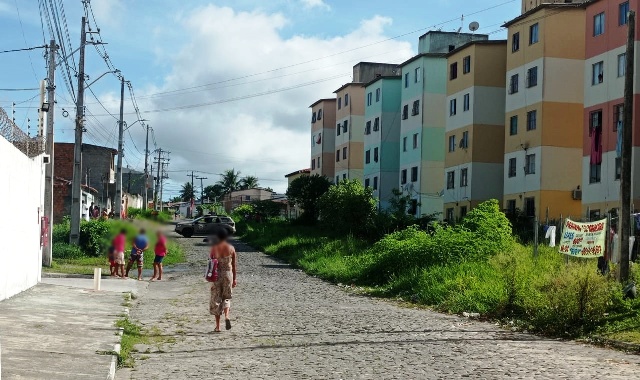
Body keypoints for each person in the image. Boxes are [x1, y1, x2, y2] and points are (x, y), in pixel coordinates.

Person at [209, 229, 237, 332]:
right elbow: (234, 265)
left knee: (216, 298)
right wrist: (234, 279)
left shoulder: (214, 248)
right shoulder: (231, 248)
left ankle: (218, 326)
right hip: (228, 274)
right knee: (226, 297)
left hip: (217, 275)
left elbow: (210, 262)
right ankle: (227, 316)